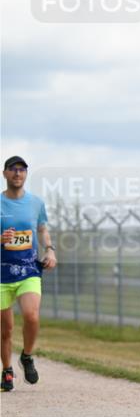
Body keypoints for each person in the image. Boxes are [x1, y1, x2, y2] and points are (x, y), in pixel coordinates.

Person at [1, 156, 57, 392]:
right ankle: (7, 371)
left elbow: (42, 228)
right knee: (6, 330)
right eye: (13, 170)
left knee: (31, 316)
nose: (17, 174)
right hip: (2, 275)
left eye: (22, 170)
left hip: (29, 270)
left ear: (26, 174)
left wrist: (50, 249)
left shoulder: (36, 202)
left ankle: (26, 356)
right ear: (4, 174)